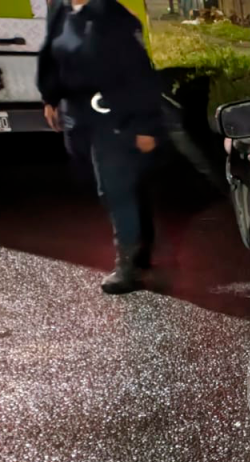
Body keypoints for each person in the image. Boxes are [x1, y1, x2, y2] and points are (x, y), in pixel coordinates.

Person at [38, 0, 164, 294]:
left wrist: (146, 125)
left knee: (115, 188)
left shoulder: (115, 17)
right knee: (114, 187)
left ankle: (128, 265)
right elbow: (50, 55)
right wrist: (51, 96)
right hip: (81, 118)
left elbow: (140, 74)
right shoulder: (61, 11)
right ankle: (141, 245)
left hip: (116, 116)